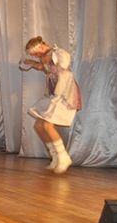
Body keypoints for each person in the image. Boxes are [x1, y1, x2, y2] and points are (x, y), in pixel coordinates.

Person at [19, 36, 82, 174]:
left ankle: (63, 157)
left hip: (64, 93)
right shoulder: (46, 59)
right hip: (54, 94)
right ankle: (55, 156)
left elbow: (63, 64)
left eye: (36, 53)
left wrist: (46, 59)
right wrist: (30, 63)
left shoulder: (59, 53)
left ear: (42, 47)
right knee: (39, 125)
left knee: (47, 125)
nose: (36, 56)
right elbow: (42, 67)